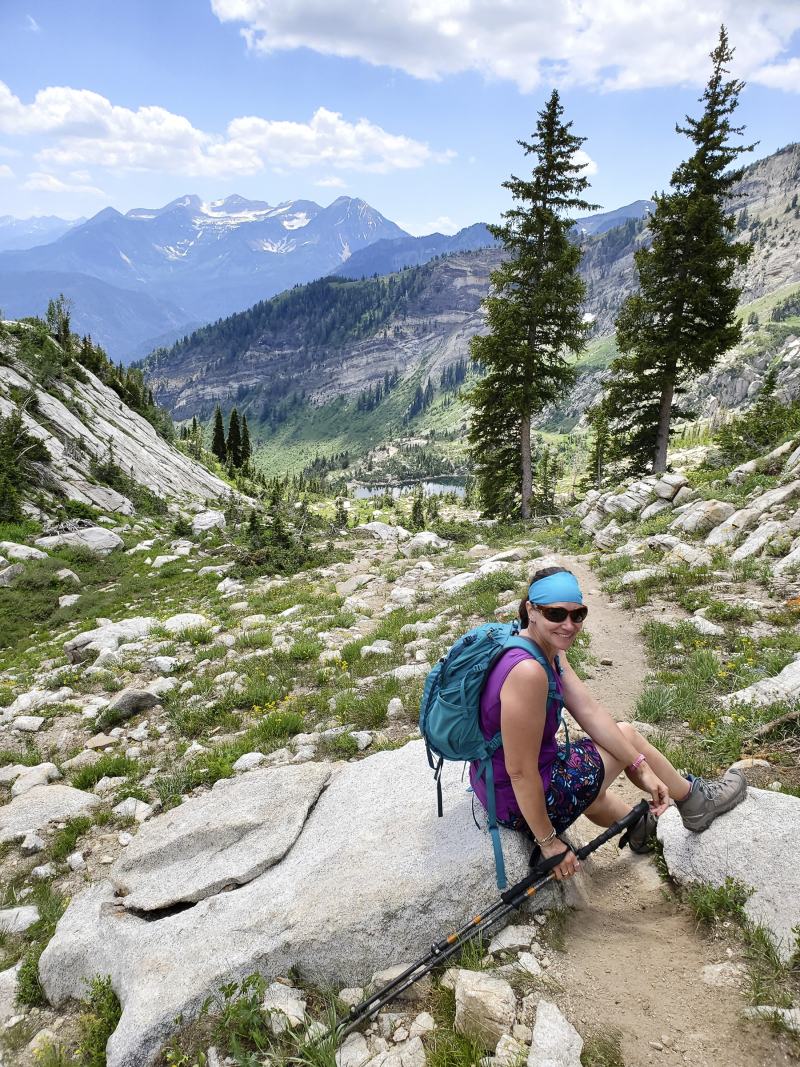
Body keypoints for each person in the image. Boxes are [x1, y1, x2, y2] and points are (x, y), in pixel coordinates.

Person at [470, 565, 747, 882]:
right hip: (517, 800)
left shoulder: (540, 646)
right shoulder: (528, 671)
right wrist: (549, 844)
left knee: (599, 780)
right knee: (625, 734)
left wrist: (640, 765)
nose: (568, 625)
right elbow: (520, 772)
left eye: (578, 614)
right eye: (556, 614)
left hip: (493, 782)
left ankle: (640, 826)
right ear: (531, 610)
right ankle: (695, 801)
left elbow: (587, 710)